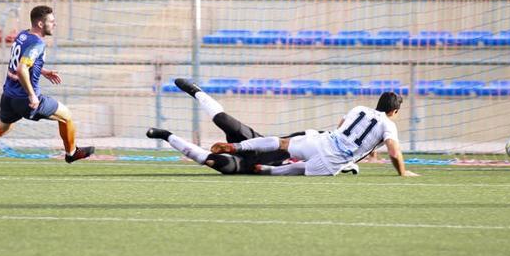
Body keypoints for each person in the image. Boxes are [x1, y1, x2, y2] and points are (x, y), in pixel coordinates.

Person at [0, 5, 94, 168]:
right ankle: (71, 153)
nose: (54, 24)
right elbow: (22, 69)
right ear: (41, 24)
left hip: (8, 97)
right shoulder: (37, 43)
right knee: (66, 116)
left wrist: (42, 71)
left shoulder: (23, 35)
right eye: (51, 21)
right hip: (25, 99)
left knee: (2, 128)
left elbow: (22, 62)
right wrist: (32, 95)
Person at [145, 78, 360, 175]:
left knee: (210, 160)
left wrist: (349, 166)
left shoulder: (324, 163)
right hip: (258, 146)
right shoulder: (315, 141)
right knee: (224, 121)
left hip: (249, 167)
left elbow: (337, 164)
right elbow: (295, 139)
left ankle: (166, 135)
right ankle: (196, 91)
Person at [210, 92, 418, 177]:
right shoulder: (388, 124)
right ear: (395, 112)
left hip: (324, 140)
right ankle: (265, 170)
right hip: (334, 159)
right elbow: (393, 150)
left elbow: (342, 124)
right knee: (300, 169)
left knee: (282, 143)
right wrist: (402, 171)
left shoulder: (360, 109)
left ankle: (238, 147)